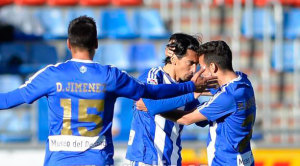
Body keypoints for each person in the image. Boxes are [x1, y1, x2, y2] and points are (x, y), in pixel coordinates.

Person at [0, 16, 215, 166]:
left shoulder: (52, 74)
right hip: (97, 160)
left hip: (60, 161)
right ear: (96, 43)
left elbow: (11, 99)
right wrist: (190, 88)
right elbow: (149, 93)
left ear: (68, 44)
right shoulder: (110, 76)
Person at [137, 40, 256, 166]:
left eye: (200, 67)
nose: (197, 71)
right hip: (244, 158)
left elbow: (186, 119)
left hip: (226, 161)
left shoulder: (226, 97)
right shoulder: (243, 82)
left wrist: (153, 107)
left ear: (213, 67)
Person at [126, 33, 209, 166]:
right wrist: (192, 94)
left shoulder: (185, 86)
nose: (194, 70)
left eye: (196, 64)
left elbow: (200, 120)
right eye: (190, 63)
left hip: (172, 159)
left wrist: (220, 98)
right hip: (147, 159)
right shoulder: (153, 76)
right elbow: (147, 104)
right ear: (174, 57)